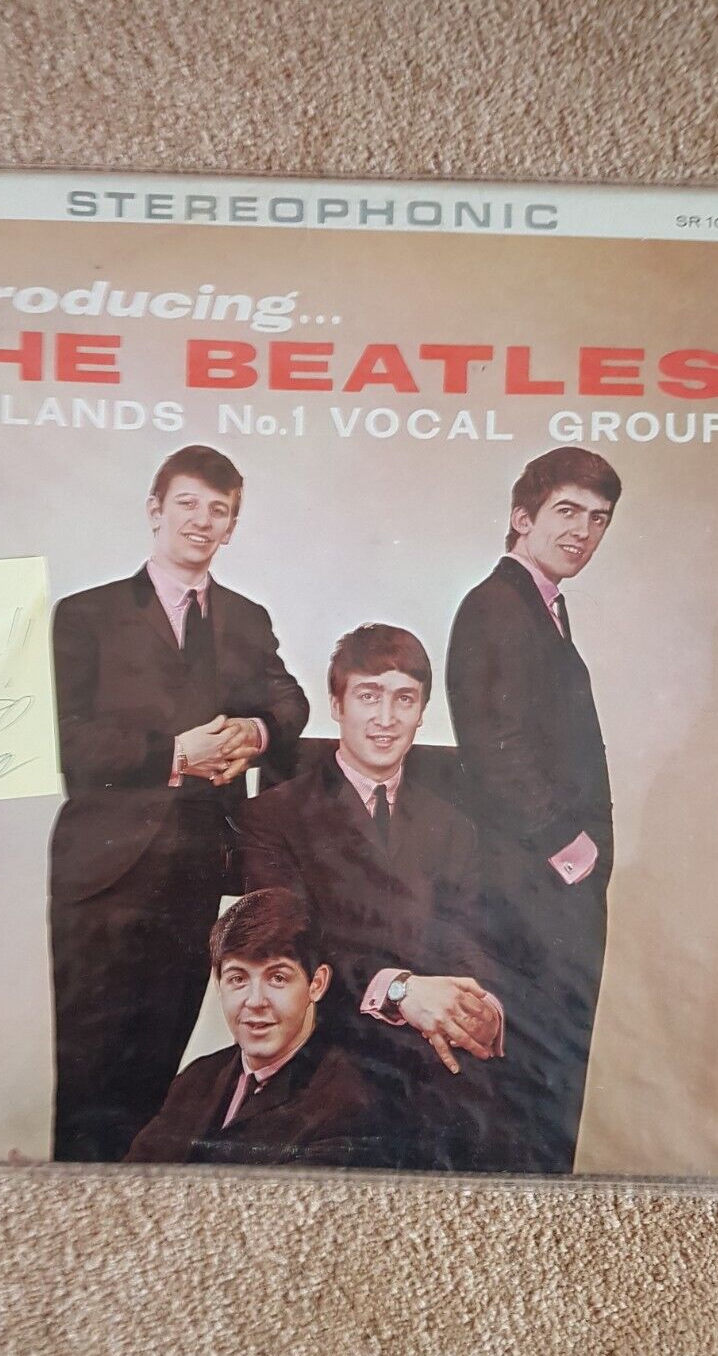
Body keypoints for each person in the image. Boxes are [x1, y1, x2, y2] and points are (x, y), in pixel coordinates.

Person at [49, 445, 308, 1161]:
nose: (202, 520)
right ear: (155, 510)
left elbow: (290, 703)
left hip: (195, 872)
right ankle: (77, 1210)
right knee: (90, 1075)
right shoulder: (86, 614)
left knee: (157, 1074)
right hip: (102, 874)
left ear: (232, 527)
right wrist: (174, 755)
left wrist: (255, 732)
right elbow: (65, 739)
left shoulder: (246, 618)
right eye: (187, 503)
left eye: (218, 510)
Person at [238, 624, 506, 1172]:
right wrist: (399, 989)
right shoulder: (274, 817)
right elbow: (288, 953)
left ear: (422, 712)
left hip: (434, 1056)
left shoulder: (453, 827)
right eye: (369, 696)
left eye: (404, 699)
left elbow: (470, 940)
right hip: (328, 1052)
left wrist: (482, 1011)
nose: (386, 718)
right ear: (337, 705)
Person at [446, 445, 621, 1173]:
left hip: (545, 886)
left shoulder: (540, 606)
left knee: (547, 1083)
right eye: (567, 511)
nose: (583, 531)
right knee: (529, 1089)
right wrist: (572, 851)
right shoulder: (497, 606)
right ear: (522, 518)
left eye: (598, 518)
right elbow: (496, 745)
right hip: (529, 889)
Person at [124, 888, 382, 1168]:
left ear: (316, 984)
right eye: (238, 979)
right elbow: (131, 1182)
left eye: (277, 978)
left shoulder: (347, 1104)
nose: (255, 1001)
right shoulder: (196, 1078)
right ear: (218, 984)